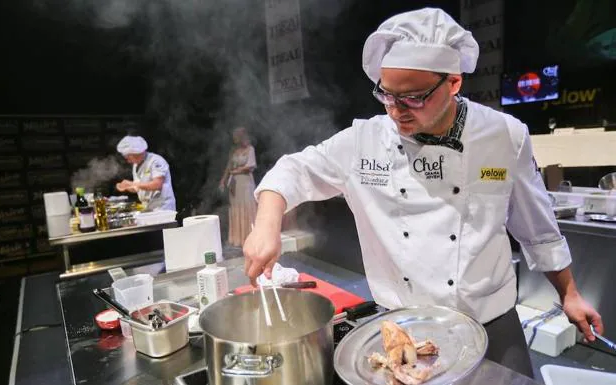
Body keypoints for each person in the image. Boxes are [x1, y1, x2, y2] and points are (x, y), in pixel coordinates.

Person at [242, 8, 603, 378]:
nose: (397, 111)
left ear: (453, 83)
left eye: (413, 98)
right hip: (403, 329)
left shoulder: (504, 136)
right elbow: (291, 169)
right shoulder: (364, 142)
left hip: (491, 321)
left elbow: (537, 229)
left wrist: (569, 294)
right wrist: (266, 224)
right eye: (386, 95)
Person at [115, 135, 176, 211]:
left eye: (128, 157)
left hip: (162, 207)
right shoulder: (136, 165)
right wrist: (126, 187)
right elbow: (139, 187)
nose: (128, 161)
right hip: (148, 207)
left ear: (136, 153)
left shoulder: (156, 161)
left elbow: (157, 184)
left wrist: (132, 184)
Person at [219, 127, 257, 247]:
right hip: (234, 183)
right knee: (236, 207)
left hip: (245, 182)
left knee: (246, 206)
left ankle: (250, 236)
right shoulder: (234, 151)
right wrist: (223, 180)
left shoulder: (250, 149)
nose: (234, 138)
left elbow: (251, 166)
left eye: (236, 136)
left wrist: (237, 171)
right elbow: (228, 167)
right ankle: (238, 238)